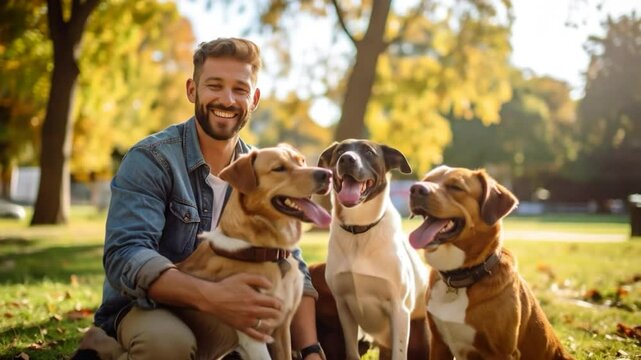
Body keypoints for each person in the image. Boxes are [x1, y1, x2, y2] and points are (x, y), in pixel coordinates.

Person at [91, 37, 324, 359]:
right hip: (152, 306)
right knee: (168, 345)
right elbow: (126, 253)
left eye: (240, 90)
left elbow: (291, 261)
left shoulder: (263, 170)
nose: (227, 99)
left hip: (238, 315)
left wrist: (310, 349)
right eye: (214, 86)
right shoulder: (152, 159)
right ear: (192, 90)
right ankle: (104, 346)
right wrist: (212, 297)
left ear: (253, 98)